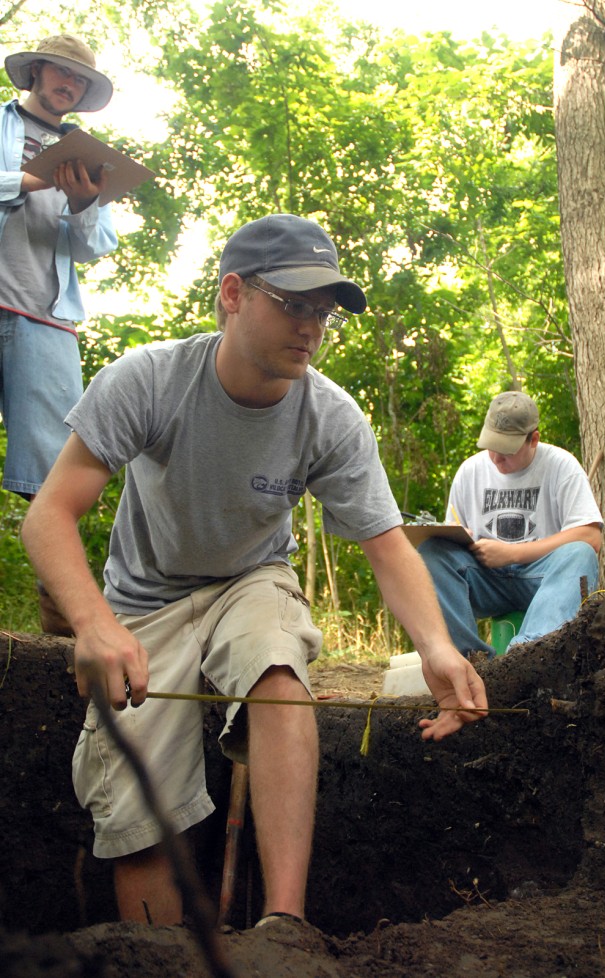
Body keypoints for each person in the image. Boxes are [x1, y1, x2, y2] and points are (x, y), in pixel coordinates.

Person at [22, 213, 488, 930]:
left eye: (323, 313)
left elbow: (387, 544)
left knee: (275, 667)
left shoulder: (329, 416)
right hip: (147, 599)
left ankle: (284, 928)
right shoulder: (148, 380)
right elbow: (49, 514)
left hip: (252, 580)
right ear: (233, 293)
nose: (311, 327)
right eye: (292, 304)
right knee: (143, 811)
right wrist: (93, 623)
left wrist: (437, 647)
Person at [1, 34, 118, 628]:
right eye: (61, 74)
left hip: (46, 317)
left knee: (53, 467)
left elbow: (95, 246)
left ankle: (63, 611)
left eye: (80, 81)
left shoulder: (87, 155)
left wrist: (84, 201)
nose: (68, 85)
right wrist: (32, 180)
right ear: (37, 72)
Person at [418, 390, 603, 657]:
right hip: (486, 579)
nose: (496, 458)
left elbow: (590, 536)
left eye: (506, 450)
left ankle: (527, 657)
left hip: (544, 580)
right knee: (430, 554)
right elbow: (452, 544)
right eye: (491, 446)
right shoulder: (470, 472)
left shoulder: (561, 466)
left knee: (580, 553)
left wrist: (513, 553)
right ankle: (470, 660)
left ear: (534, 439)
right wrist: (458, 537)